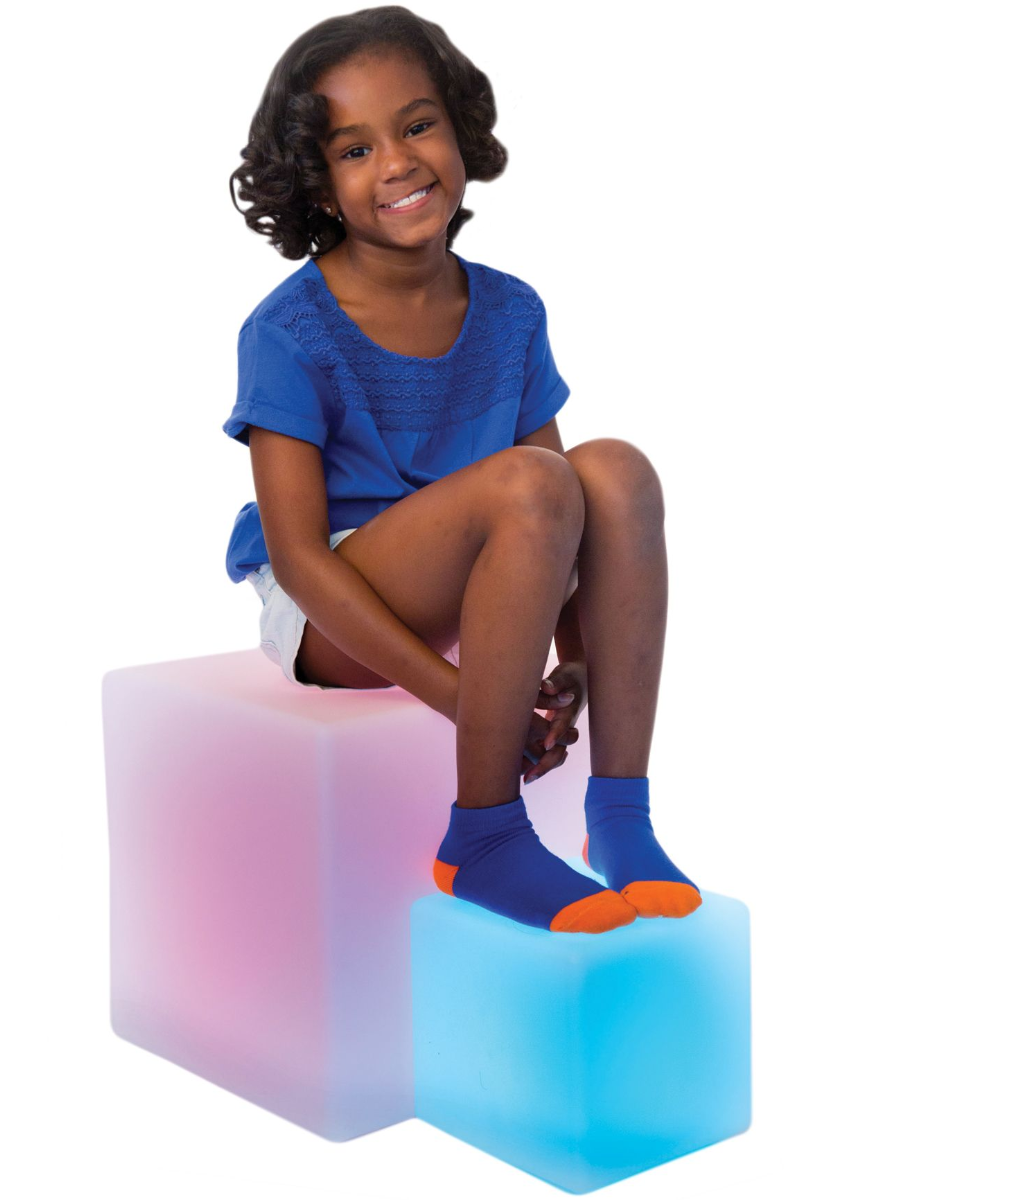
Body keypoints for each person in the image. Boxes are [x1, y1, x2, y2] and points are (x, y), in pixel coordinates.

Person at [222, 6, 701, 934]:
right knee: (530, 480)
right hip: (332, 601)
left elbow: (569, 521)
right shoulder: (287, 331)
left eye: (415, 125)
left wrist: (573, 668)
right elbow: (299, 556)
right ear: (317, 186)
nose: (397, 163)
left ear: (459, 131)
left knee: (615, 474)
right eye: (353, 151)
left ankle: (620, 812)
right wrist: (462, 696)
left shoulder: (513, 310)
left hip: (481, 569)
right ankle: (480, 833)